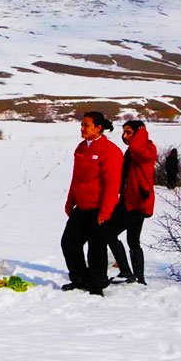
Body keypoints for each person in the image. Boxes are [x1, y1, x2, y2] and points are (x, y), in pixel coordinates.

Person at [61, 111, 123, 296]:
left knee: (96, 249)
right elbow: (76, 178)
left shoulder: (110, 150)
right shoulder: (81, 148)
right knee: (69, 243)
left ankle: (97, 283)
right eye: (81, 125)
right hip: (81, 207)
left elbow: (112, 185)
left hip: (100, 208)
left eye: (86, 125)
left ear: (98, 127)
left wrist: (105, 212)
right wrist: (70, 201)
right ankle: (79, 279)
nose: (82, 128)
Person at [103, 120, 157, 284]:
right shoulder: (134, 151)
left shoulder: (146, 149)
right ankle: (139, 278)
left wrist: (141, 131)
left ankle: (127, 272)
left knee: (108, 232)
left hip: (137, 202)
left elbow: (136, 149)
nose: (124, 136)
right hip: (134, 200)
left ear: (139, 134)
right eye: (124, 132)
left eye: (129, 132)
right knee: (133, 240)